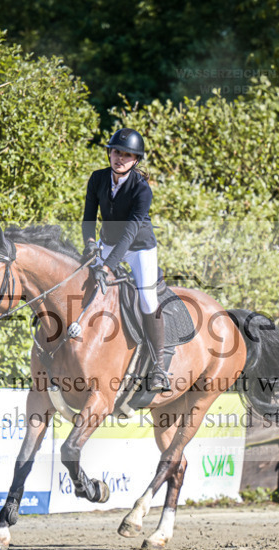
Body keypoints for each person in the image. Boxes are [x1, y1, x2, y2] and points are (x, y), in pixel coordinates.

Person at [81, 128, 169, 392]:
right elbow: (88, 218)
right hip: (107, 243)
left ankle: (159, 367)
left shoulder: (142, 190)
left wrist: (107, 267)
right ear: (110, 152)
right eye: (117, 151)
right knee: (84, 282)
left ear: (136, 160)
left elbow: (130, 232)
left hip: (139, 247)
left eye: (128, 155)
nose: (120, 158)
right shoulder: (97, 178)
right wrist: (90, 246)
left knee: (147, 299)